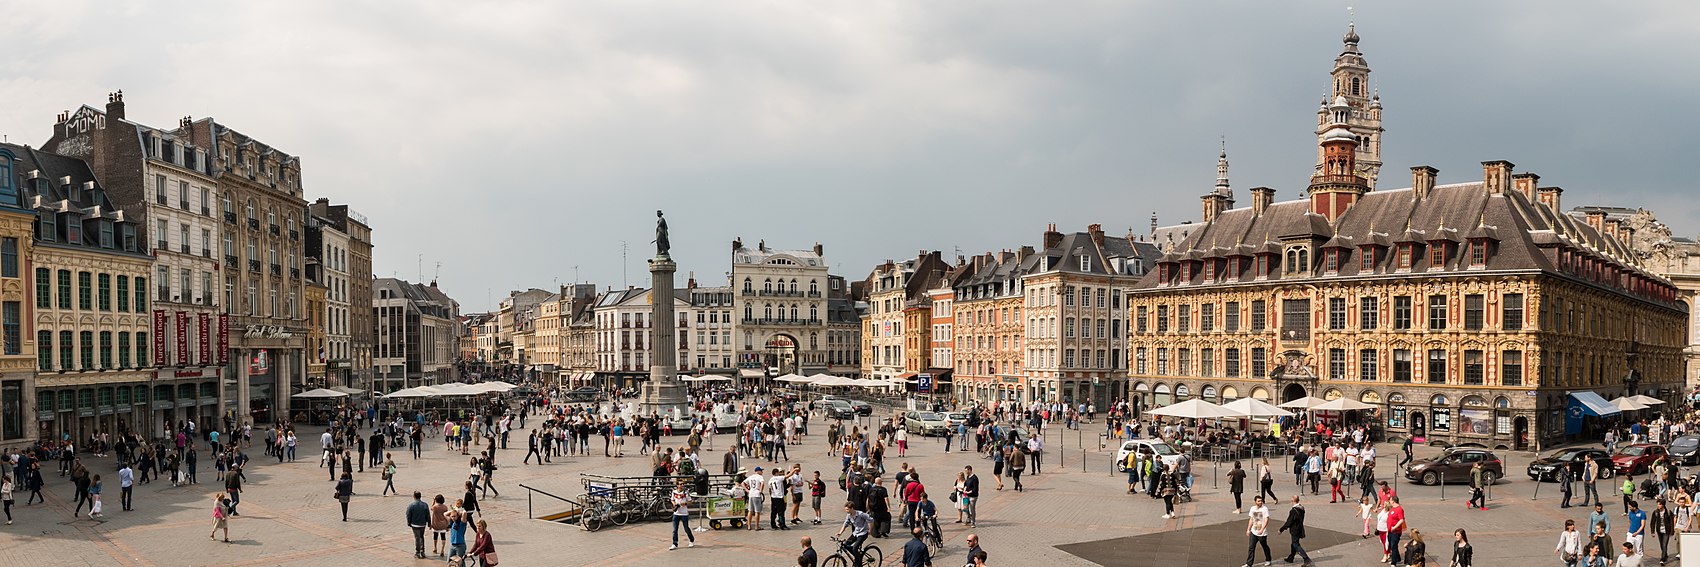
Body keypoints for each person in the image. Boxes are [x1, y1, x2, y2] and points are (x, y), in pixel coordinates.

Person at [1278, 495, 1311, 566]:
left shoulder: (1293, 511)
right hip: (1300, 528)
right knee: (1294, 543)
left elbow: (1289, 522)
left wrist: (1281, 529)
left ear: (1292, 501)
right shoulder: (1301, 508)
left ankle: (1306, 558)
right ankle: (1291, 557)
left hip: (1295, 530)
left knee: (1295, 544)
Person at [1244, 495, 1272, 567]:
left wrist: (1262, 529)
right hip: (1254, 531)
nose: (1260, 502)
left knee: (1264, 546)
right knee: (1251, 547)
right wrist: (1248, 529)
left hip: (1262, 533)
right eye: (1258, 501)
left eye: (1261, 501)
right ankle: (1249, 563)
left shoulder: (1264, 509)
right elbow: (1251, 519)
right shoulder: (1252, 508)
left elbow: (1266, 519)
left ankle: (1268, 559)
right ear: (1255, 502)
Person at [670, 480, 696, 550]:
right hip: (676, 513)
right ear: (677, 485)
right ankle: (674, 543)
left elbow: (690, 502)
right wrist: (674, 504)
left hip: (684, 513)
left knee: (686, 528)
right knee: (675, 529)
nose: (682, 485)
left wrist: (685, 503)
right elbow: (672, 499)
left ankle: (691, 540)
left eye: (683, 484)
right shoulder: (674, 492)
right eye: (681, 484)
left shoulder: (686, 493)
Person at [404, 490, 430, 558]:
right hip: (422, 524)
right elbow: (428, 515)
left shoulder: (411, 505)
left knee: (417, 538)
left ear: (414, 496)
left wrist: (409, 522)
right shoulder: (425, 505)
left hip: (415, 524)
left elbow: (408, 514)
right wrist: (429, 523)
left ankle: (417, 552)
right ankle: (422, 551)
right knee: (422, 536)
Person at [1650, 497, 1675, 565]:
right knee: (1661, 545)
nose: (1658, 506)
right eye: (1657, 504)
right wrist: (1652, 531)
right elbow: (1652, 522)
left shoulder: (1668, 512)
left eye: (1659, 504)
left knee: (1664, 545)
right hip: (1659, 531)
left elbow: (1672, 522)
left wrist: (1672, 531)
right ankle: (1665, 555)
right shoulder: (1655, 512)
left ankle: (1662, 559)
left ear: (1663, 505)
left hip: (1666, 531)